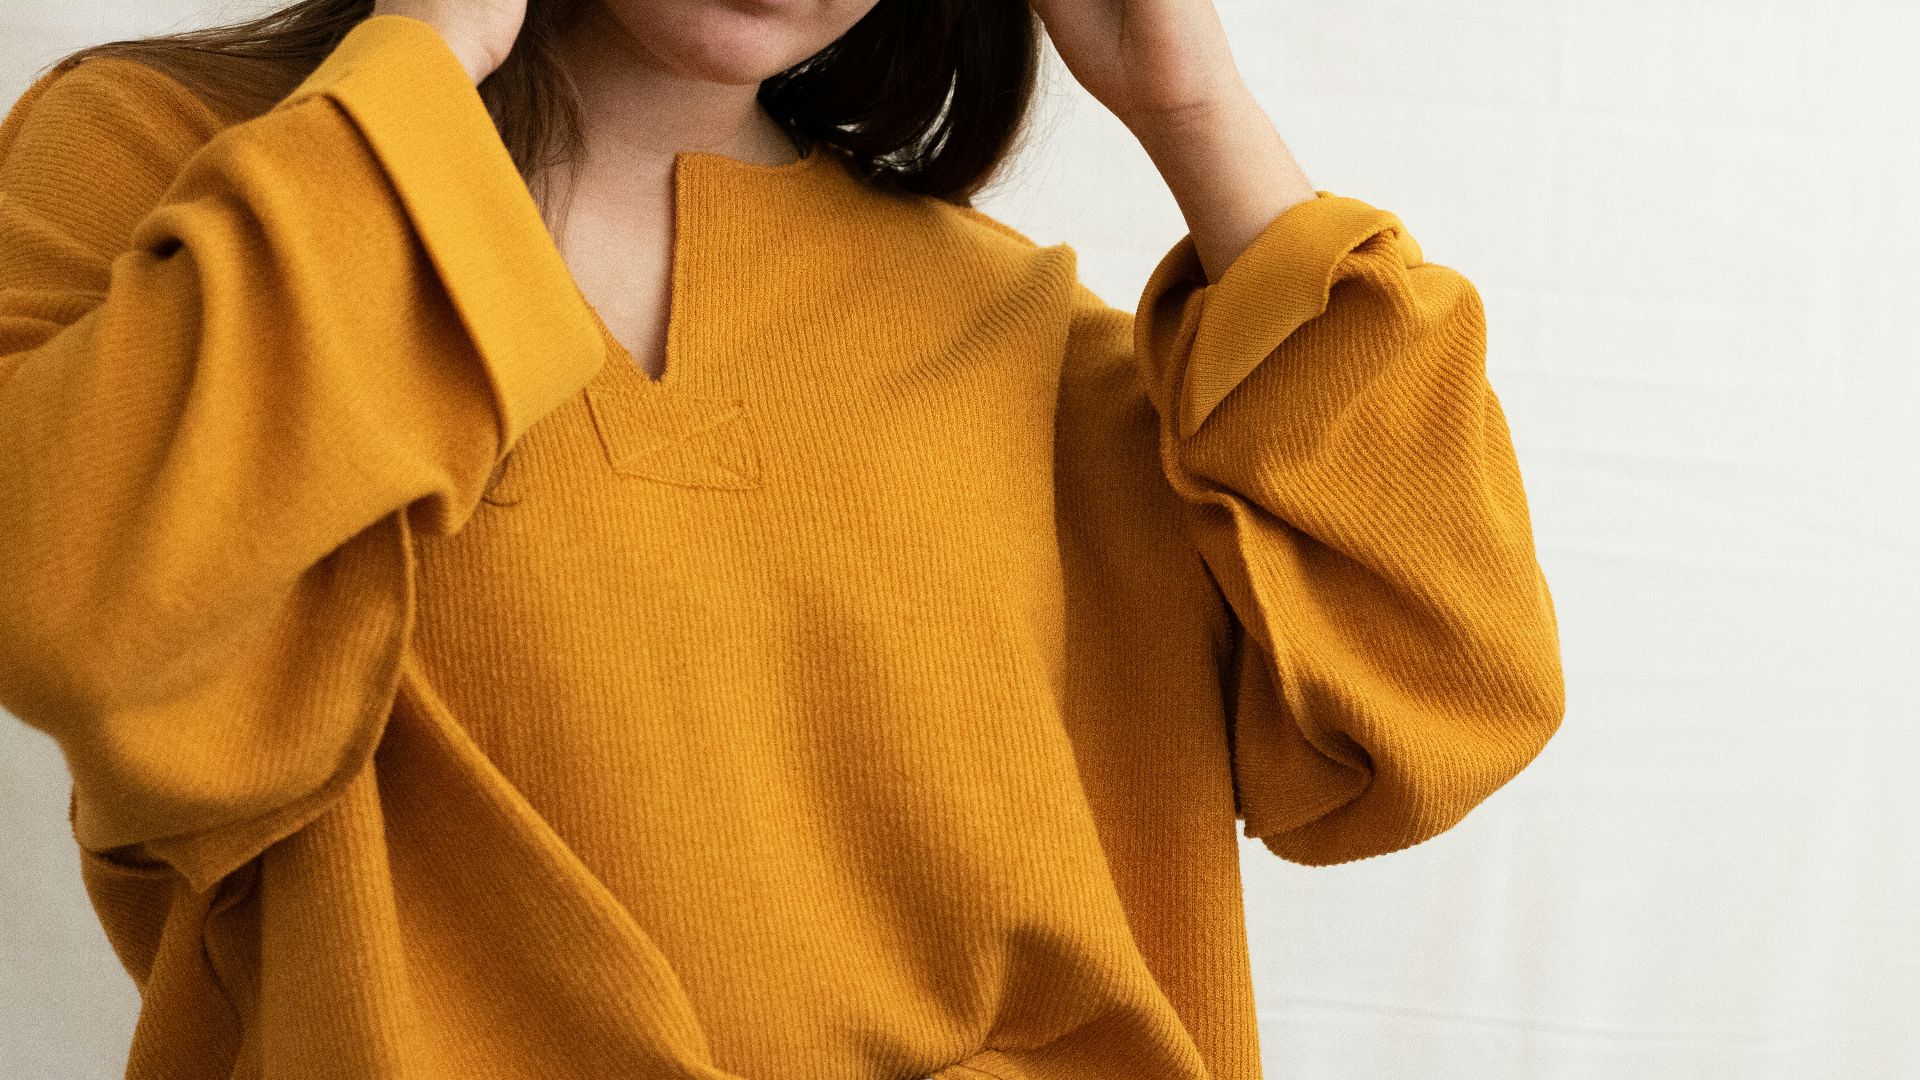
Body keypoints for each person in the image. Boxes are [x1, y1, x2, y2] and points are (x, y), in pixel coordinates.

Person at [0, 1, 1567, 1077]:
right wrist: (428, 54)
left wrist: (1194, 108)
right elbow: (70, 601)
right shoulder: (194, 175)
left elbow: (1439, 698)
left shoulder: (1016, 342)